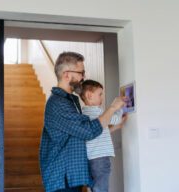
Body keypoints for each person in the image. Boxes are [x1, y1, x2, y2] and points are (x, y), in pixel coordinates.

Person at [39, 51, 125, 192]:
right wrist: (113, 108)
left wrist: (113, 127)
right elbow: (88, 131)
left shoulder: (70, 101)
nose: (83, 77)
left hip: (70, 177)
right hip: (62, 178)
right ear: (67, 74)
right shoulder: (58, 103)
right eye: (81, 72)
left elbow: (79, 132)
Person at [79, 80, 127, 192]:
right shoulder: (97, 112)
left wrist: (116, 127)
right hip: (100, 159)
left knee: (96, 188)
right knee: (101, 188)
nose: (102, 98)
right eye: (100, 94)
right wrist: (120, 108)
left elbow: (99, 133)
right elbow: (116, 119)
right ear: (89, 95)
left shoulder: (84, 113)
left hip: (90, 158)